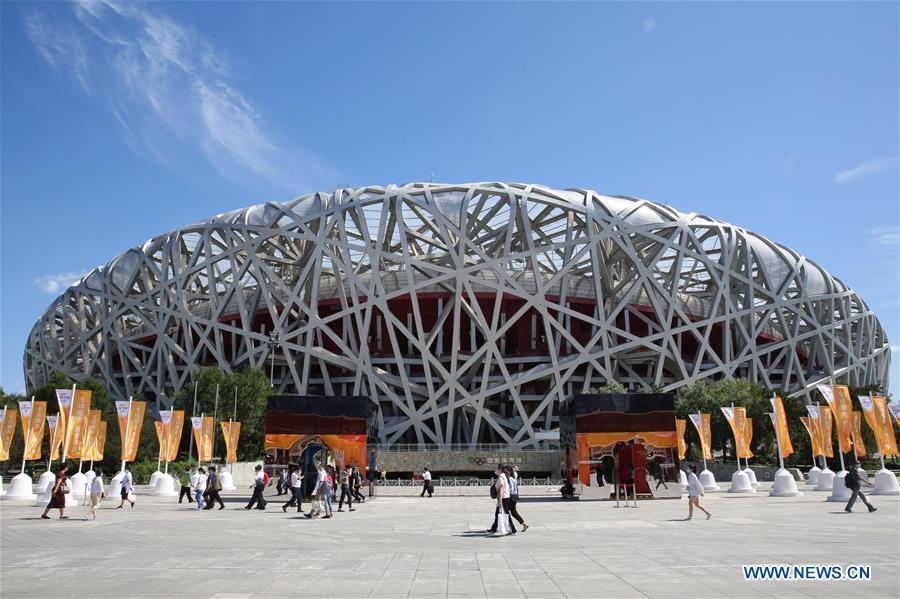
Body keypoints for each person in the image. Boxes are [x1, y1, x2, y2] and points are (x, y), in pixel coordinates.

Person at [505, 465, 528, 532]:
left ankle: (510, 528)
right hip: (515, 496)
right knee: (513, 512)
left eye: (506, 471)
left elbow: (510, 489)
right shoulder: (513, 478)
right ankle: (524, 524)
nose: (505, 472)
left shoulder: (508, 478)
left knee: (506, 512)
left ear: (509, 471)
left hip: (510, 497)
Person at [495, 465, 516, 535]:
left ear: (500, 470)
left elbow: (501, 488)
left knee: (506, 514)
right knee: (498, 513)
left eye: (497, 469)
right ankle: (494, 528)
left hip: (504, 498)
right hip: (506, 497)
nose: (496, 470)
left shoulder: (501, 476)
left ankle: (513, 529)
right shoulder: (504, 475)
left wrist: (500, 500)